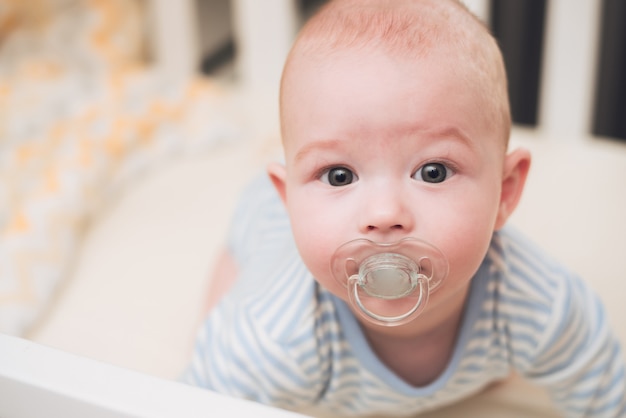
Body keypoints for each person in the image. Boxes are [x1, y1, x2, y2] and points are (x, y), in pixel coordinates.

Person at [183, 0, 626, 416]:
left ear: (505, 192)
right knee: (226, 301)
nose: (383, 213)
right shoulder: (268, 336)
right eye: (339, 175)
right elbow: (185, 405)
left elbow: (607, 392)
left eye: (433, 171)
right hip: (263, 231)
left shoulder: (539, 306)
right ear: (289, 202)